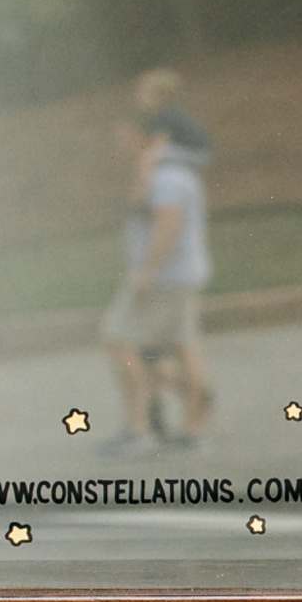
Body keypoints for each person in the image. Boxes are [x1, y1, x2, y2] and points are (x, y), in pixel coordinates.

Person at [99, 71, 214, 451]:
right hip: (178, 275)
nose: (118, 143)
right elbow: (138, 210)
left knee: (119, 338)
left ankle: (140, 429)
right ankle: (194, 416)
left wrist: (146, 271)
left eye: (124, 136)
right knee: (178, 346)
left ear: (150, 137)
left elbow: (168, 226)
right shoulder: (164, 172)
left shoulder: (168, 176)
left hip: (164, 277)